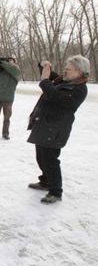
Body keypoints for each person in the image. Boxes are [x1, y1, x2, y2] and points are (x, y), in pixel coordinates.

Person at [27, 55, 89, 203]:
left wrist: (44, 81)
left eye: (69, 69)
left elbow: (55, 96)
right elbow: (49, 74)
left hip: (56, 129)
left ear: (80, 71)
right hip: (45, 124)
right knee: (41, 157)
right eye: (65, 68)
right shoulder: (65, 80)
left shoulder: (79, 89)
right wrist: (44, 64)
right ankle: (46, 181)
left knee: (50, 160)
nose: (65, 71)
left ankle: (56, 191)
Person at [0, 56, 21, 141]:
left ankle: (5, 133)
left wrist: (2, 62)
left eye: (12, 61)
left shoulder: (16, 71)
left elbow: (11, 68)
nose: (9, 62)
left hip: (8, 99)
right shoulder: (1, 71)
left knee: (7, 118)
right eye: (8, 60)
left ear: (15, 62)